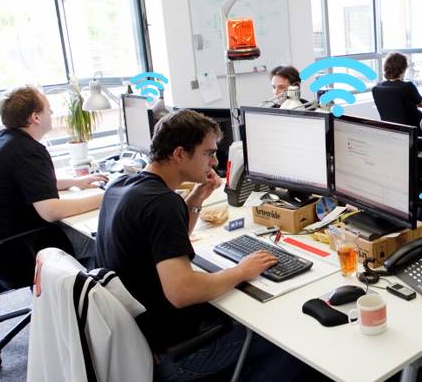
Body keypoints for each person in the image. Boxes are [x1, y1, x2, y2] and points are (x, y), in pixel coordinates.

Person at [95, 109, 306, 381]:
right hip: (179, 354)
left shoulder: (122, 186)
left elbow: (164, 242)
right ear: (179, 154)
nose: (214, 162)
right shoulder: (162, 203)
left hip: (139, 343)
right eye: (208, 153)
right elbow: (182, 292)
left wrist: (195, 199)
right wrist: (241, 271)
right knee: (289, 343)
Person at [0, 85, 106, 288]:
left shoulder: (4, 140)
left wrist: (75, 182)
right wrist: (105, 197)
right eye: (48, 108)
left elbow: (30, 182)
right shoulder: (28, 151)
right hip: (21, 251)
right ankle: (84, 297)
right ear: (35, 117)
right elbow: (51, 211)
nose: (52, 112)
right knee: (104, 239)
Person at [372, 52, 422, 128]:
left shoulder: (377, 88)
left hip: (396, 131)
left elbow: (398, 105)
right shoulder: (407, 87)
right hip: (418, 127)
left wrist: (414, 103)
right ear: (403, 69)